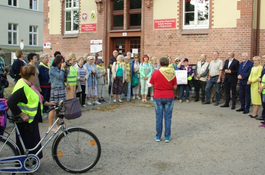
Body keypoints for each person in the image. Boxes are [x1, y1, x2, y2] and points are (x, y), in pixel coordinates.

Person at [7, 64, 55, 158]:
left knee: (32, 143)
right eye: (35, 75)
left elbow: (36, 98)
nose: (36, 77)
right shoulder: (22, 87)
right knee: (28, 143)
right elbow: (11, 102)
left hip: (31, 120)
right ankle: (26, 163)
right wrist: (22, 115)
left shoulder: (28, 84)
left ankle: (31, 161)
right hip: (25, 121)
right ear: (32, 76)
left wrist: (49, 104)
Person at [150, 57, 177, 143]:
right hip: (169, 95)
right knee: (168, 117)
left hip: (158, 95)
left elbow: (152, 84)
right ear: (168, 63)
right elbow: (175, 87)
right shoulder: (172, 73)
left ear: (160, 64)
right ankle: (167, 137)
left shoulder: (156, 73)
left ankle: (158, 136)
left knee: (159, 117)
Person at [48, 55, 66, 131]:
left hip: (61, 89)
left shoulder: (60, 69)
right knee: (53, 108)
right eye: (61, 62)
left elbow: (64, 77)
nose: (61, 63)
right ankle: (50, 126)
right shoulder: (52, 69)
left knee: (59, 108)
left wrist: (66, 69)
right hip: (55, 89)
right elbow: (59, 76)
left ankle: (59, 125)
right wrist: (62, 68)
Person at [258, 54, 265, 126]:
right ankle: (263, 116)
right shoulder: (264, 66)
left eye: (264, 58)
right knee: (263, 103)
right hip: (262, 87)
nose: (263, 59)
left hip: (263, 88)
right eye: (262, 58)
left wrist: (262, 87)